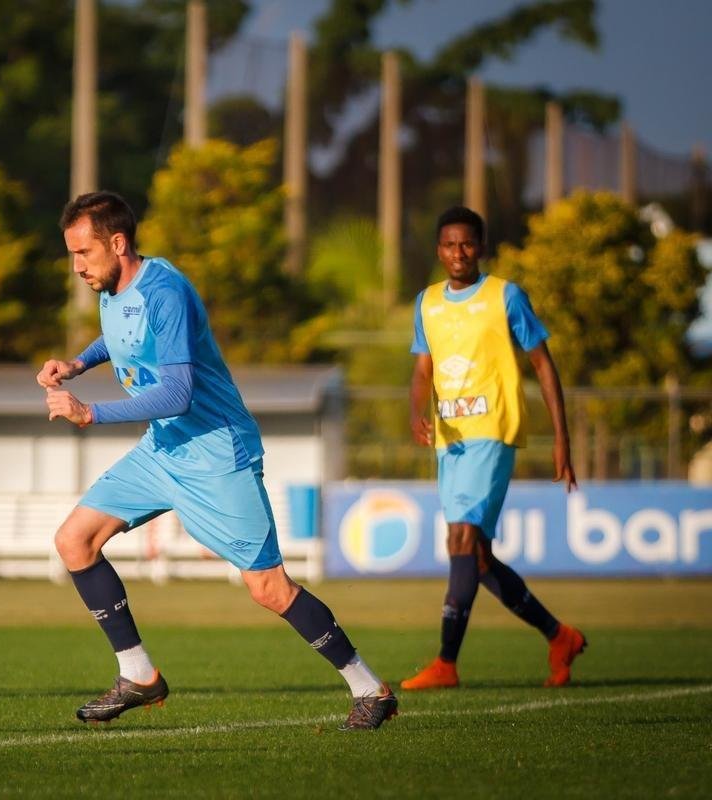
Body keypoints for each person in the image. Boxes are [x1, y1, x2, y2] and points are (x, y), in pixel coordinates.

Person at [38, 191, 397, 730]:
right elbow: (121, 335)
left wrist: (90, 413)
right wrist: (78, 363)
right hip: (164, 449)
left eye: (83, 253)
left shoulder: (165, 291)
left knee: (269, 588)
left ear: (118, 243)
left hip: (216, 452)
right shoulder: (112, 288)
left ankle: (370, 689)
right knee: (74, 541)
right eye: (72, 255)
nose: (77, 267)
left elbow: (178, 394)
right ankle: (138, 674)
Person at [401, 206, 586, 691]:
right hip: (451, 441)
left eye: (466, 243)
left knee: (462, 539)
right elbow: (423, 369)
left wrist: (562, 438)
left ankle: (446, 663)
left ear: (480, 247)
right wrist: (415, 412)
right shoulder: (426, 302)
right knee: (476, 557)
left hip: (493, 431)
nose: (458, 253)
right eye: (449, 244)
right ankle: (559, 636)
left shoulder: (506, 296)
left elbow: (543, 364)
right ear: (438, 250)